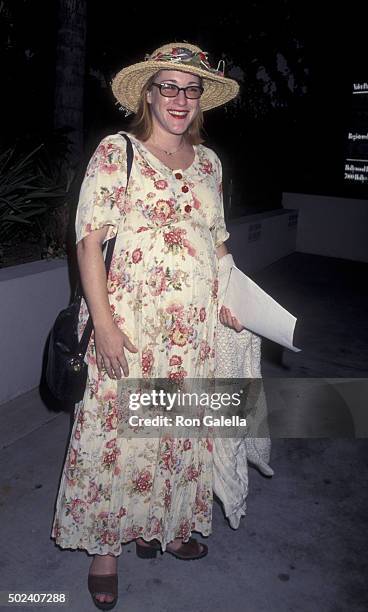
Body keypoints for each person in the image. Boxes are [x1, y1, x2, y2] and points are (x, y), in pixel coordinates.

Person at [51, 42, 244, 610]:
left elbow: (220, 241)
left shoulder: (210, 164)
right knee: (117, 435)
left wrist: (235, 297)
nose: (179, 99)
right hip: (131, 327)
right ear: (148, 94)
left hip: (195, 334)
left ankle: (167, 525)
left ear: (201, 99)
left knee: (177, 428)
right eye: (168, 87)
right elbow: (89, 240)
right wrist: (105, 327)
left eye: (190, 89)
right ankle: (106, 549)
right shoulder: (119, 152)